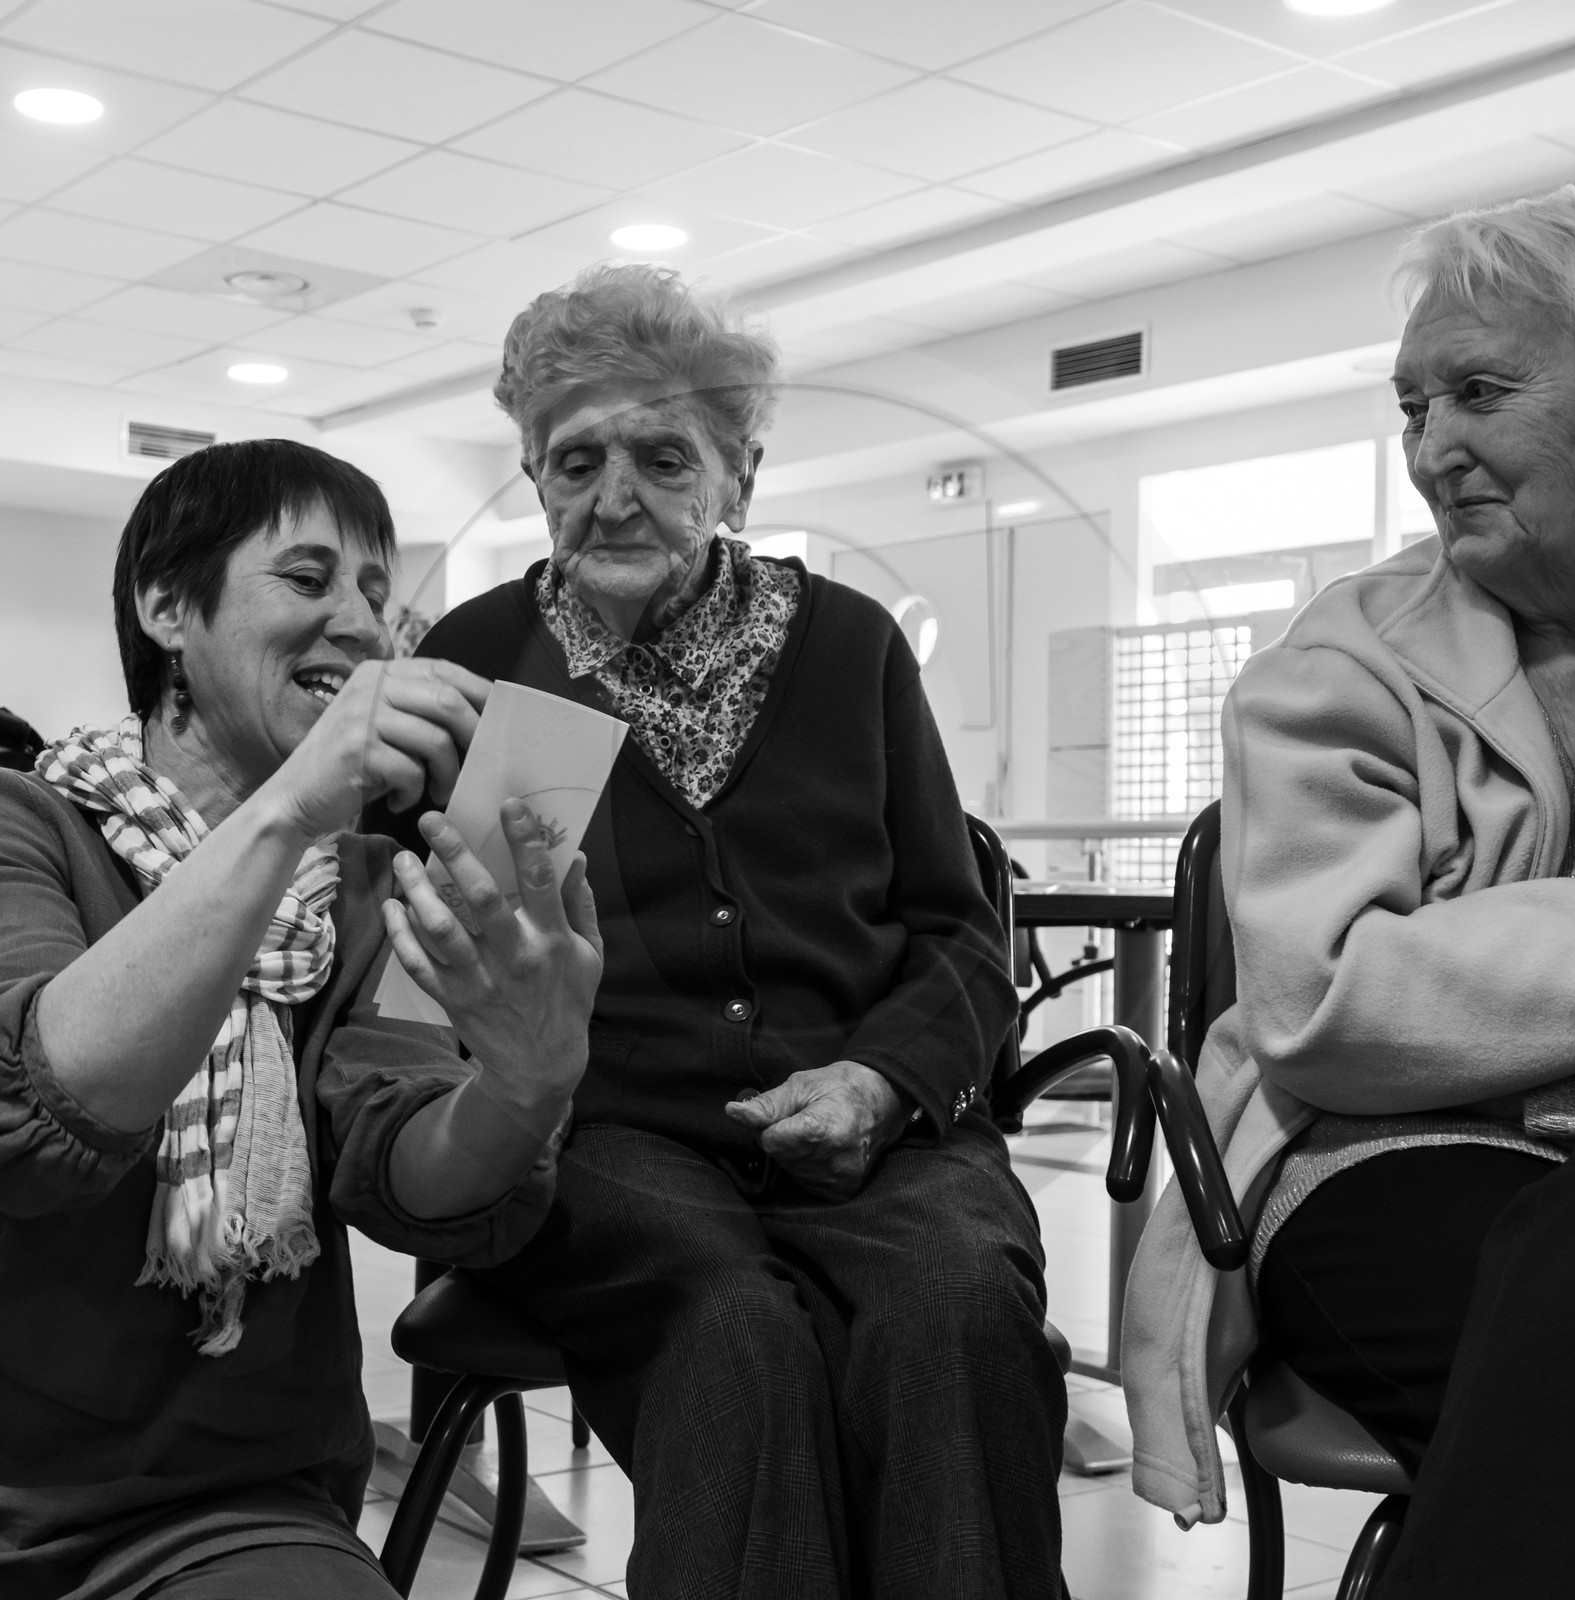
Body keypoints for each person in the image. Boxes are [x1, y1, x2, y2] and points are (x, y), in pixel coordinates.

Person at [400, 263, 1068, 1599]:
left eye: (664, 454)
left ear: (740, 476)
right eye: (575, 458)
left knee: (956, 1308)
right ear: (532, 474)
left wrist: (884, 1079)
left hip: (876, 1123)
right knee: (734, 1334)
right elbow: (481, 968)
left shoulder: (851, 647)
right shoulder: (490, 659)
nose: (614, 494)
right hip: (614, 1136)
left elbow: (956, 931)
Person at [0, 439, 602, 1599]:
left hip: (230, 1511)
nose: (361, 622)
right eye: (308, 579)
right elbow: (35, 1106)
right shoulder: (9, 822)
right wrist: (288, 806)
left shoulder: (365, 884)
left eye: (374, 588)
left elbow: (401, 1170)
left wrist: (523, 1084)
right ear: (167, 606)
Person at [1121, 186, 1575, 1595]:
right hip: (1372, 1159)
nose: (1434, 448)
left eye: (1482, 393)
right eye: (1413, 406)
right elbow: (1330, 1003)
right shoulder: (1343, 663)